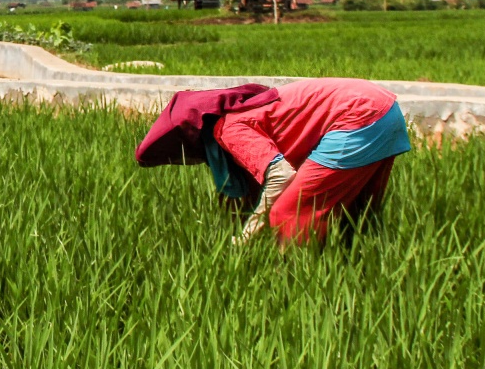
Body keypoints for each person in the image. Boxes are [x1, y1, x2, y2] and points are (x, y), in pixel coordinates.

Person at [136, 77, 411, 244]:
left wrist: (248, 234)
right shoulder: (251, 109)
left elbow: (281, 175)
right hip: (385, 109)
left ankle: (296, 285)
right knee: (356, 216)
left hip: (357, 116)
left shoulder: (228, 128)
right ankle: (357, 271)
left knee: (287, 215)